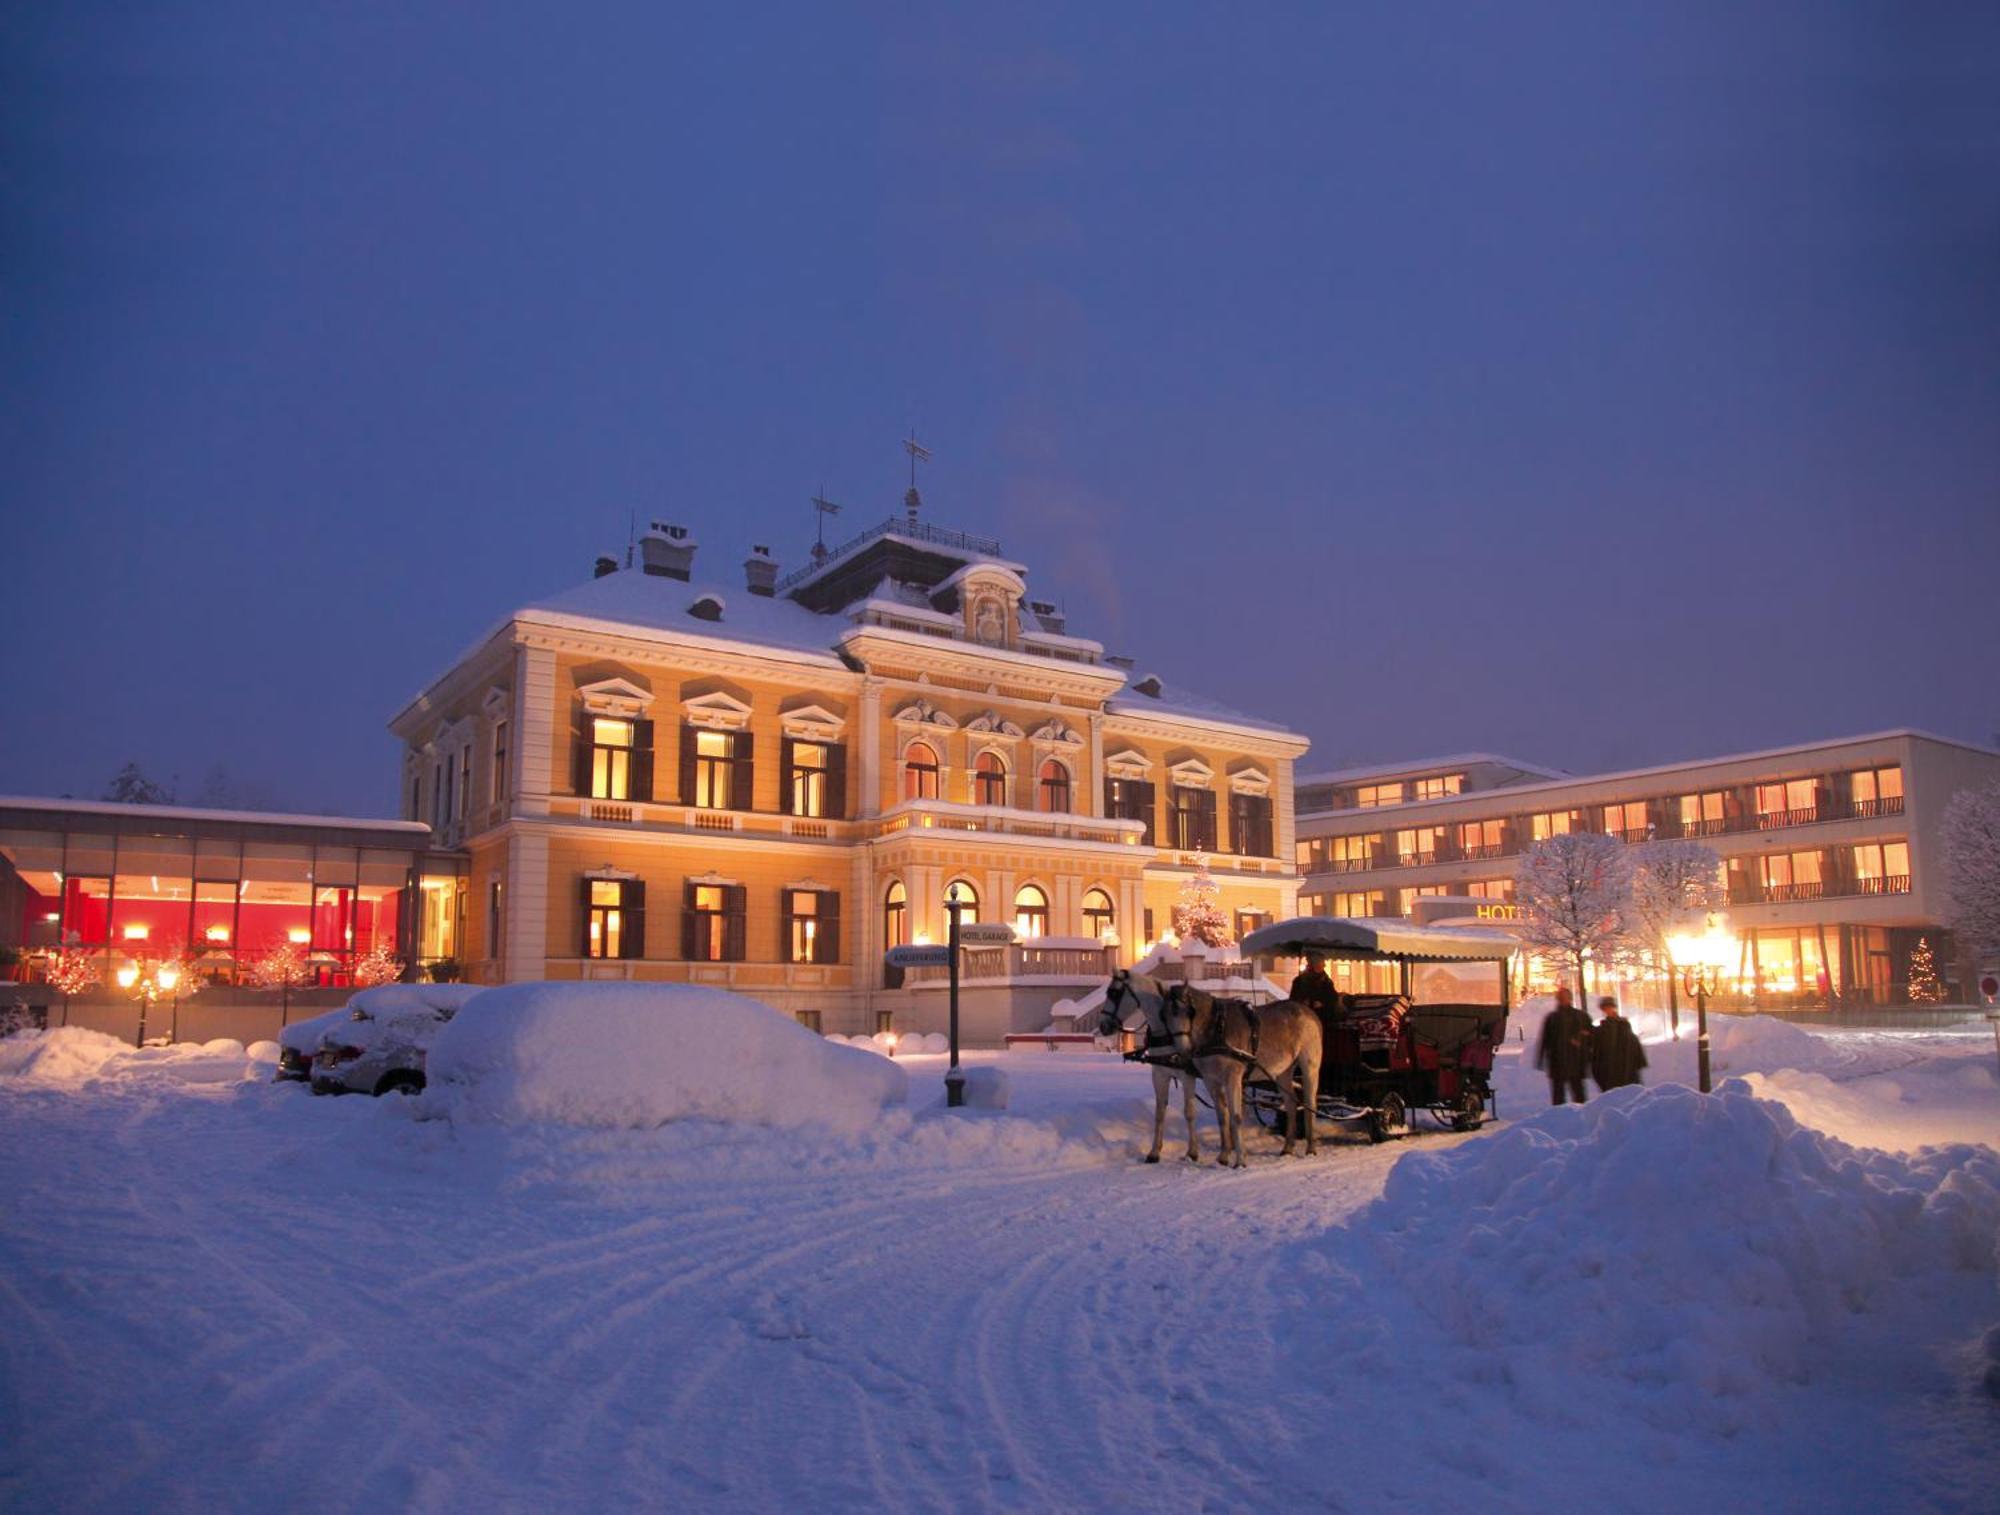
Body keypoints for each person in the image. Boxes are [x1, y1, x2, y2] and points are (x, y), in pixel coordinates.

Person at [1534, 985, 1592, 1105]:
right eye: (1561, 997)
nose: (1563, 999)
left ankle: (1580, 1116)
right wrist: (1540, 1058)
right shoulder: (1552, 1018)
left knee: (1578, 1094)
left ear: (1570, 998)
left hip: (1575, 1061)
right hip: (1558, 1061)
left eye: (1565, 997)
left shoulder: (1580, 1016)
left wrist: (1582, 1041)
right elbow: (1545, 1039)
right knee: (1559, 1096)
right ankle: (1560, 1118)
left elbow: (1591, 1036)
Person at [1589, 996, 1647, 1091]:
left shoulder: (1623, 1025)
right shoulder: (1602, 1028)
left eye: (1609, 1007)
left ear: (1613, 1007)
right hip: (1610, 1067)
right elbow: (1598, 1046)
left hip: (1624, 1066)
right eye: (1605, 1008)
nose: (1608, 1009)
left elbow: (1631, 1044)